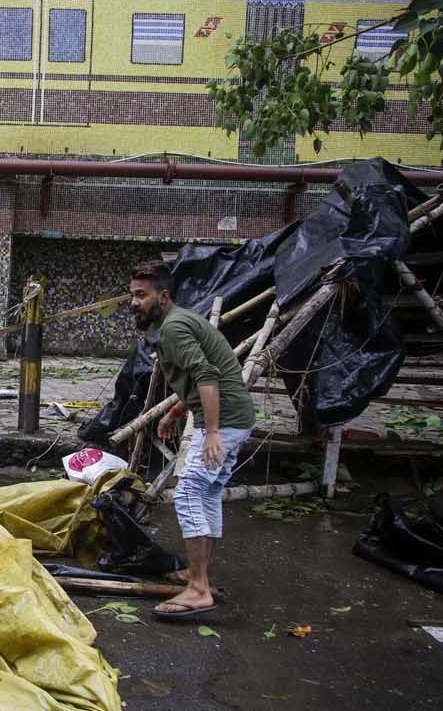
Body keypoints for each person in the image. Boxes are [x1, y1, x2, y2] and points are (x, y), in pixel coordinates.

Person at [128, 260, 255, 620]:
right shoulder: (178, 322)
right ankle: (197, 575)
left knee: (188, 493)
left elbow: (207, 374)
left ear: (163, 296)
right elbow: (198, 375)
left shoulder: (174, 329)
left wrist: (212, 432)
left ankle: (198, 589)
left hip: (224, 421)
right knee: (207, 492)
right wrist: (176, 411)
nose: (134, 303)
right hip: (232, 417)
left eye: (141, 295)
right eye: (132, 295)